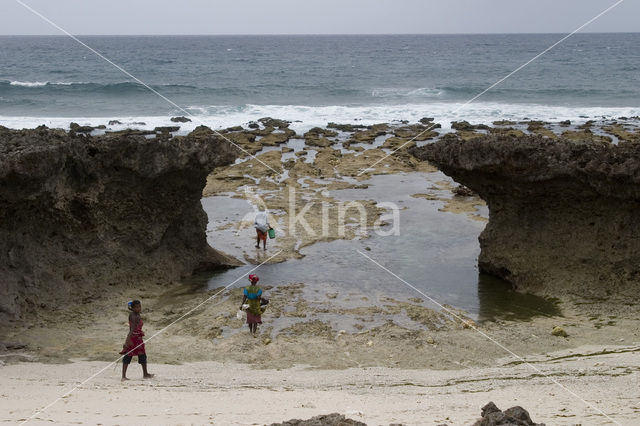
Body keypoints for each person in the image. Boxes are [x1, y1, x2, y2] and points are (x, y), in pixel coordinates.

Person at [119, 300, 154, 381]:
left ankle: (145, 374)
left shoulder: (137, 314)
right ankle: (123, 376)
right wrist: (127, 341)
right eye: (137, 307)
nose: (139, 308)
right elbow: (131, 330)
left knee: (142, 355)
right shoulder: (133, 316)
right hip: (133, 338)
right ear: (133, 308)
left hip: (138, 338)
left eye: (140, 307)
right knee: (128, 356)